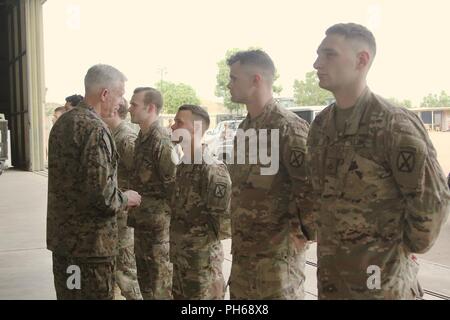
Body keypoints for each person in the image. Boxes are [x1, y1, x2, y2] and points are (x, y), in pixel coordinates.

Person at [307, 23, 450, 299]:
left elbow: (431, 204)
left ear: (362, 60)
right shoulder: (322, 125)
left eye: (329, 54)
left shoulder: (393, 124)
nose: (317, 63)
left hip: (382, 287)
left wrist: (395, 249)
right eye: (318, 55)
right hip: (333, 280)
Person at [47, 64, 142, 300]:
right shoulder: (95, 129)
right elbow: (102, 195)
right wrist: (126, 198)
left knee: (70, 295)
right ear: (104, 94)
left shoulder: (63, 123)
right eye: (120, 94)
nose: (122, 103)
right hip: (90, 249)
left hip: (64, 243)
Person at [226, 49, 315, 299]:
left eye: (234, 78)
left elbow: (311, 190)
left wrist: (302, 236)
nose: (229, 84)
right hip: (244, 258)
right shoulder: (245, 128)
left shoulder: (288, 127)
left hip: (276, 265)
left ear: (256, 79)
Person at [170, 104, 231, 299]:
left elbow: (224, 223)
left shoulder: (211, 169)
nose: (173, 126)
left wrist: (197, 242)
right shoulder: (183, 165)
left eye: (179, 122)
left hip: (201, 265)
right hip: (181, 259)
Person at [128, 87, 177, 299]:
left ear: (150, 108)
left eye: (134, 104)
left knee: (160, 285)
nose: (129, 108)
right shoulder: (142, 136)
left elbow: (174, 186)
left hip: (159, 230)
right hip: (143, 224)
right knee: (145, 284)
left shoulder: (162, 139)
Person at [102, 98, 142, 300]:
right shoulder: (111, 135)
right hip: (116, 212)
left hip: (124, 218)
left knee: (127, 273)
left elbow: (142, 174)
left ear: (114, 110)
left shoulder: (125, 138)